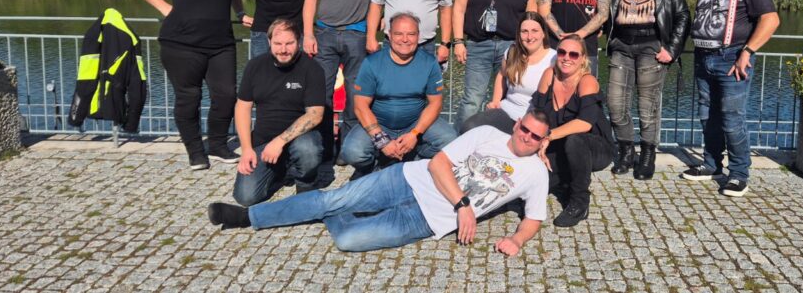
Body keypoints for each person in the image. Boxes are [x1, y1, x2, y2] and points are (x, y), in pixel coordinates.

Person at [207, 110, 552, 255]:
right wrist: (463, 207)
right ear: (517, 123)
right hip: (407, 179)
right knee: (332, 200)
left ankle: (341, 209)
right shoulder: (488, 133)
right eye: (524, 129)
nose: (527, 138)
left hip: (426, 220)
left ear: (542, 141)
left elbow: (534, 217)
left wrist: (516, 239)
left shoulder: (536, 172)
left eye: (536, 137)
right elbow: (440, 164)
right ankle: (248, 217)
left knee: (348, 240)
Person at [132, 0, 251, 170]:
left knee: (227, 94)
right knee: (189, 97)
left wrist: (240, 13)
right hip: (181, 44)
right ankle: (196, 151)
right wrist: (166, 9)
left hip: (221, 44)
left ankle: (218, 145)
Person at [681, 0, 780, 197]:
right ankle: (712, 165)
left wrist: (747, 51)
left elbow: (770, 19)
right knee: (707, 116)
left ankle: (739, 173)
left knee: (731, 118)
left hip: (732, 59)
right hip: (704, 58)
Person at [606, 0, 691, 180]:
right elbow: (609, 9)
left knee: (648, 105)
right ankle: (625, 150)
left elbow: (683, 15)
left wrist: (672, 50)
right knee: (615, 102)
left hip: (651, 46)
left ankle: (647, 154)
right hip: (622, 45)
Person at [302, 0, 387, 161]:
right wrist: (308, 34)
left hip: (358, 35)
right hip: (325, 34)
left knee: (355, 94)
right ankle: (324, 147)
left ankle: (348, 150)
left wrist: (383, 19)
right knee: (322, 93)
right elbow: (310, 1)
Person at [340, 13, 458, 178]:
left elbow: (435, 104)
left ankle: (415, 163)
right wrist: (382, 140)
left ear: (418, 36)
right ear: (389, 35)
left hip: (415, 123)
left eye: (411, 34)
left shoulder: (430, 63)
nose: (405, 39)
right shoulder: (372, 63)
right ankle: (374, 167)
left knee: (450, 140)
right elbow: (360, 106)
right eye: (398, 34)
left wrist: (415, 134)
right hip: (380, 124)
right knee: (352, 152)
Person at [232, 19, 324, 206]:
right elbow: (242, 107)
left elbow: (315, 114)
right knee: (245, 197)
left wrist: (280, 141)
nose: (283, 50)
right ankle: (280, 172)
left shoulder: (312, 68)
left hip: (300, 139)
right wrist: (247, 149)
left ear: (298, 41)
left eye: (289, 43)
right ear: (269, 42)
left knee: (308, 150)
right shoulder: (254, 66)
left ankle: (305, 182)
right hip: (263, 141)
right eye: (278, 44)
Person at [452, 0, 537, 130]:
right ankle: (458, 144)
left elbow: (532, 18)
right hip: (478, 44)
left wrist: (529, 49)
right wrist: (458, 42)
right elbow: (458, 9)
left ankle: (502, 143)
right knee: (472, 99)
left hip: (512, 47)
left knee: (509, 100)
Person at [529, 34, 613, 227]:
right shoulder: (549, 75)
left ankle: (579, 202)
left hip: (594, 147)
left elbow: (584, 123)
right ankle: (564, 180)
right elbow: (539, 115)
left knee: (575, 140)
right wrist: (536, 142)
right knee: (536, 184)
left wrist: (548, 136)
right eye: (562, 52)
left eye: (574, 54)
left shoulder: (587, 81)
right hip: (559, 145)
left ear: (583, 58)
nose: (567, 58)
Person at [459, 12, 555, 134]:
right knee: (469, 127)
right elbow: (501, 75)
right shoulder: (512, 52)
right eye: (524, 31)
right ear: (519, 35)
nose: (529, 36)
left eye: (534, 31)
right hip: (505, 112)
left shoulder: (554, 58)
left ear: (543, 33)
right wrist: (495, 101)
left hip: (533, 120)